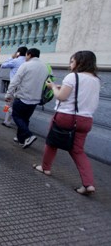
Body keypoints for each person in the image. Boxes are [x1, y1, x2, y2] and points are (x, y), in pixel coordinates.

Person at [32, 51, 100, 195]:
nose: (70, 64)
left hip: (66, 117)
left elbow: (62, 97)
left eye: (72, 61)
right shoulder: (96, 80)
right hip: (86, 120)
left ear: (79, 62)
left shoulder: (72, 76)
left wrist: (53, 88)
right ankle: (88, 184)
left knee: (52, 143)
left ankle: (45, 168)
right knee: (78, 151)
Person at [5, 48, 49, 148]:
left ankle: (29, 135)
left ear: (29, 55)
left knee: (16, 116)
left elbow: (15, 81)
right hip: (35, 99)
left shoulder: (26, 65)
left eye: (26, 55)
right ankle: (21, 140)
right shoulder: (45, 67)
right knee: (25, 119)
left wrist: (8, 94)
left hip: (22, 97)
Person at [0, 46, 28, 127]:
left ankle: (7, 120)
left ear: (18, 53)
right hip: (23, 87)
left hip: (13, 86)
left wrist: (11, 57)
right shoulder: (27, 62)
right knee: (17, 104)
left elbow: (3, 65)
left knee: (8, 104)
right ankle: (8, 120)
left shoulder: (15, 61)